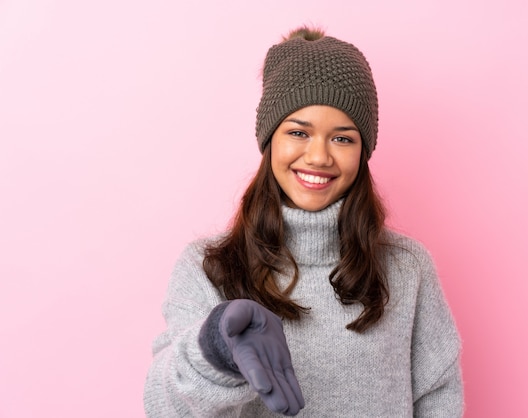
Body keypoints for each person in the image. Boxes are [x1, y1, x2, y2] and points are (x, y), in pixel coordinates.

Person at [143, 26, 463, 417]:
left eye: (342, 138)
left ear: (363, 151)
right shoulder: (208, 268)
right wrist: (215, 348)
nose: (318, 157)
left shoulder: (407, 268)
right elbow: (163, 407)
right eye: (298, 132)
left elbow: (439, 399)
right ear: (270, 139)